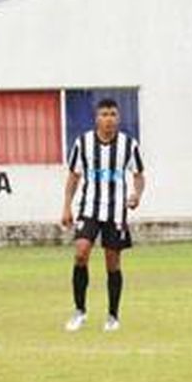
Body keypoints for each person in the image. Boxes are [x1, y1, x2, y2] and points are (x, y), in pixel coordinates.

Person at [60, 98, 145, 332]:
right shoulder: (83, 143)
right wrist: (67, 206)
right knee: (81, 253)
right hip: (89, 209)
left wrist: (137, 195)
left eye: (113, 114)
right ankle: (79, 311)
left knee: (112, 263)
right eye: (105, 114)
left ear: (118, 118)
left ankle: (112, 315)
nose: (109, 119)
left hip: (116, 212)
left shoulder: (129, 145)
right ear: (97, 118)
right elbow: (74, 176)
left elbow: (138, 175)